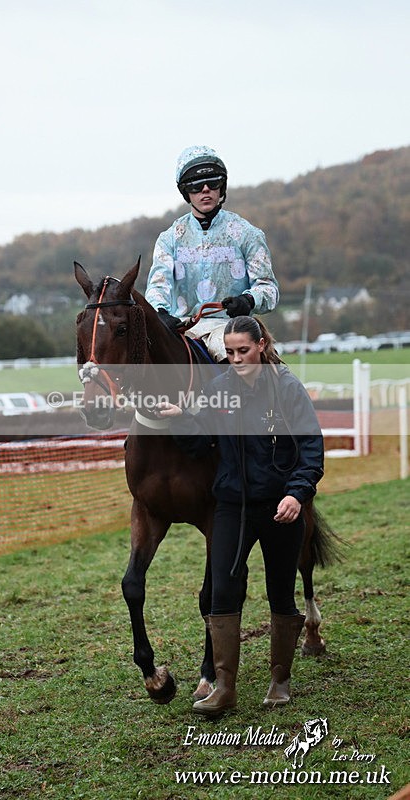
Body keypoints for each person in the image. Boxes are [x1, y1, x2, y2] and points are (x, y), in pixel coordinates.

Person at [157, 316, 324, 716]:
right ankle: (224, 687)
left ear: (262, 344)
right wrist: (179, 417)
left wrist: (297, 494)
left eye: (243, 350)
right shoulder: (220, 390)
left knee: (280, 592)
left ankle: (280, 681)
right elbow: (200, 443)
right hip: (233, 505)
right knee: (222, 591)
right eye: (229, 352)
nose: (235, 359)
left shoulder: (286, 388)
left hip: (281, 507)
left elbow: (311, 449)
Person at [145, 145, 279, 361]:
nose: (205, 189)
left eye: (213, 182)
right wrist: (160, 313)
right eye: (196, 185)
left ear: (221, 187)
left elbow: (269, 289)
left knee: (234, 357)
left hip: (229, 328)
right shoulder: (168, 239)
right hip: (182, 327)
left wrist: (248, 300)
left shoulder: (248, 234)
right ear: (186, 191)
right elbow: (157, 286)